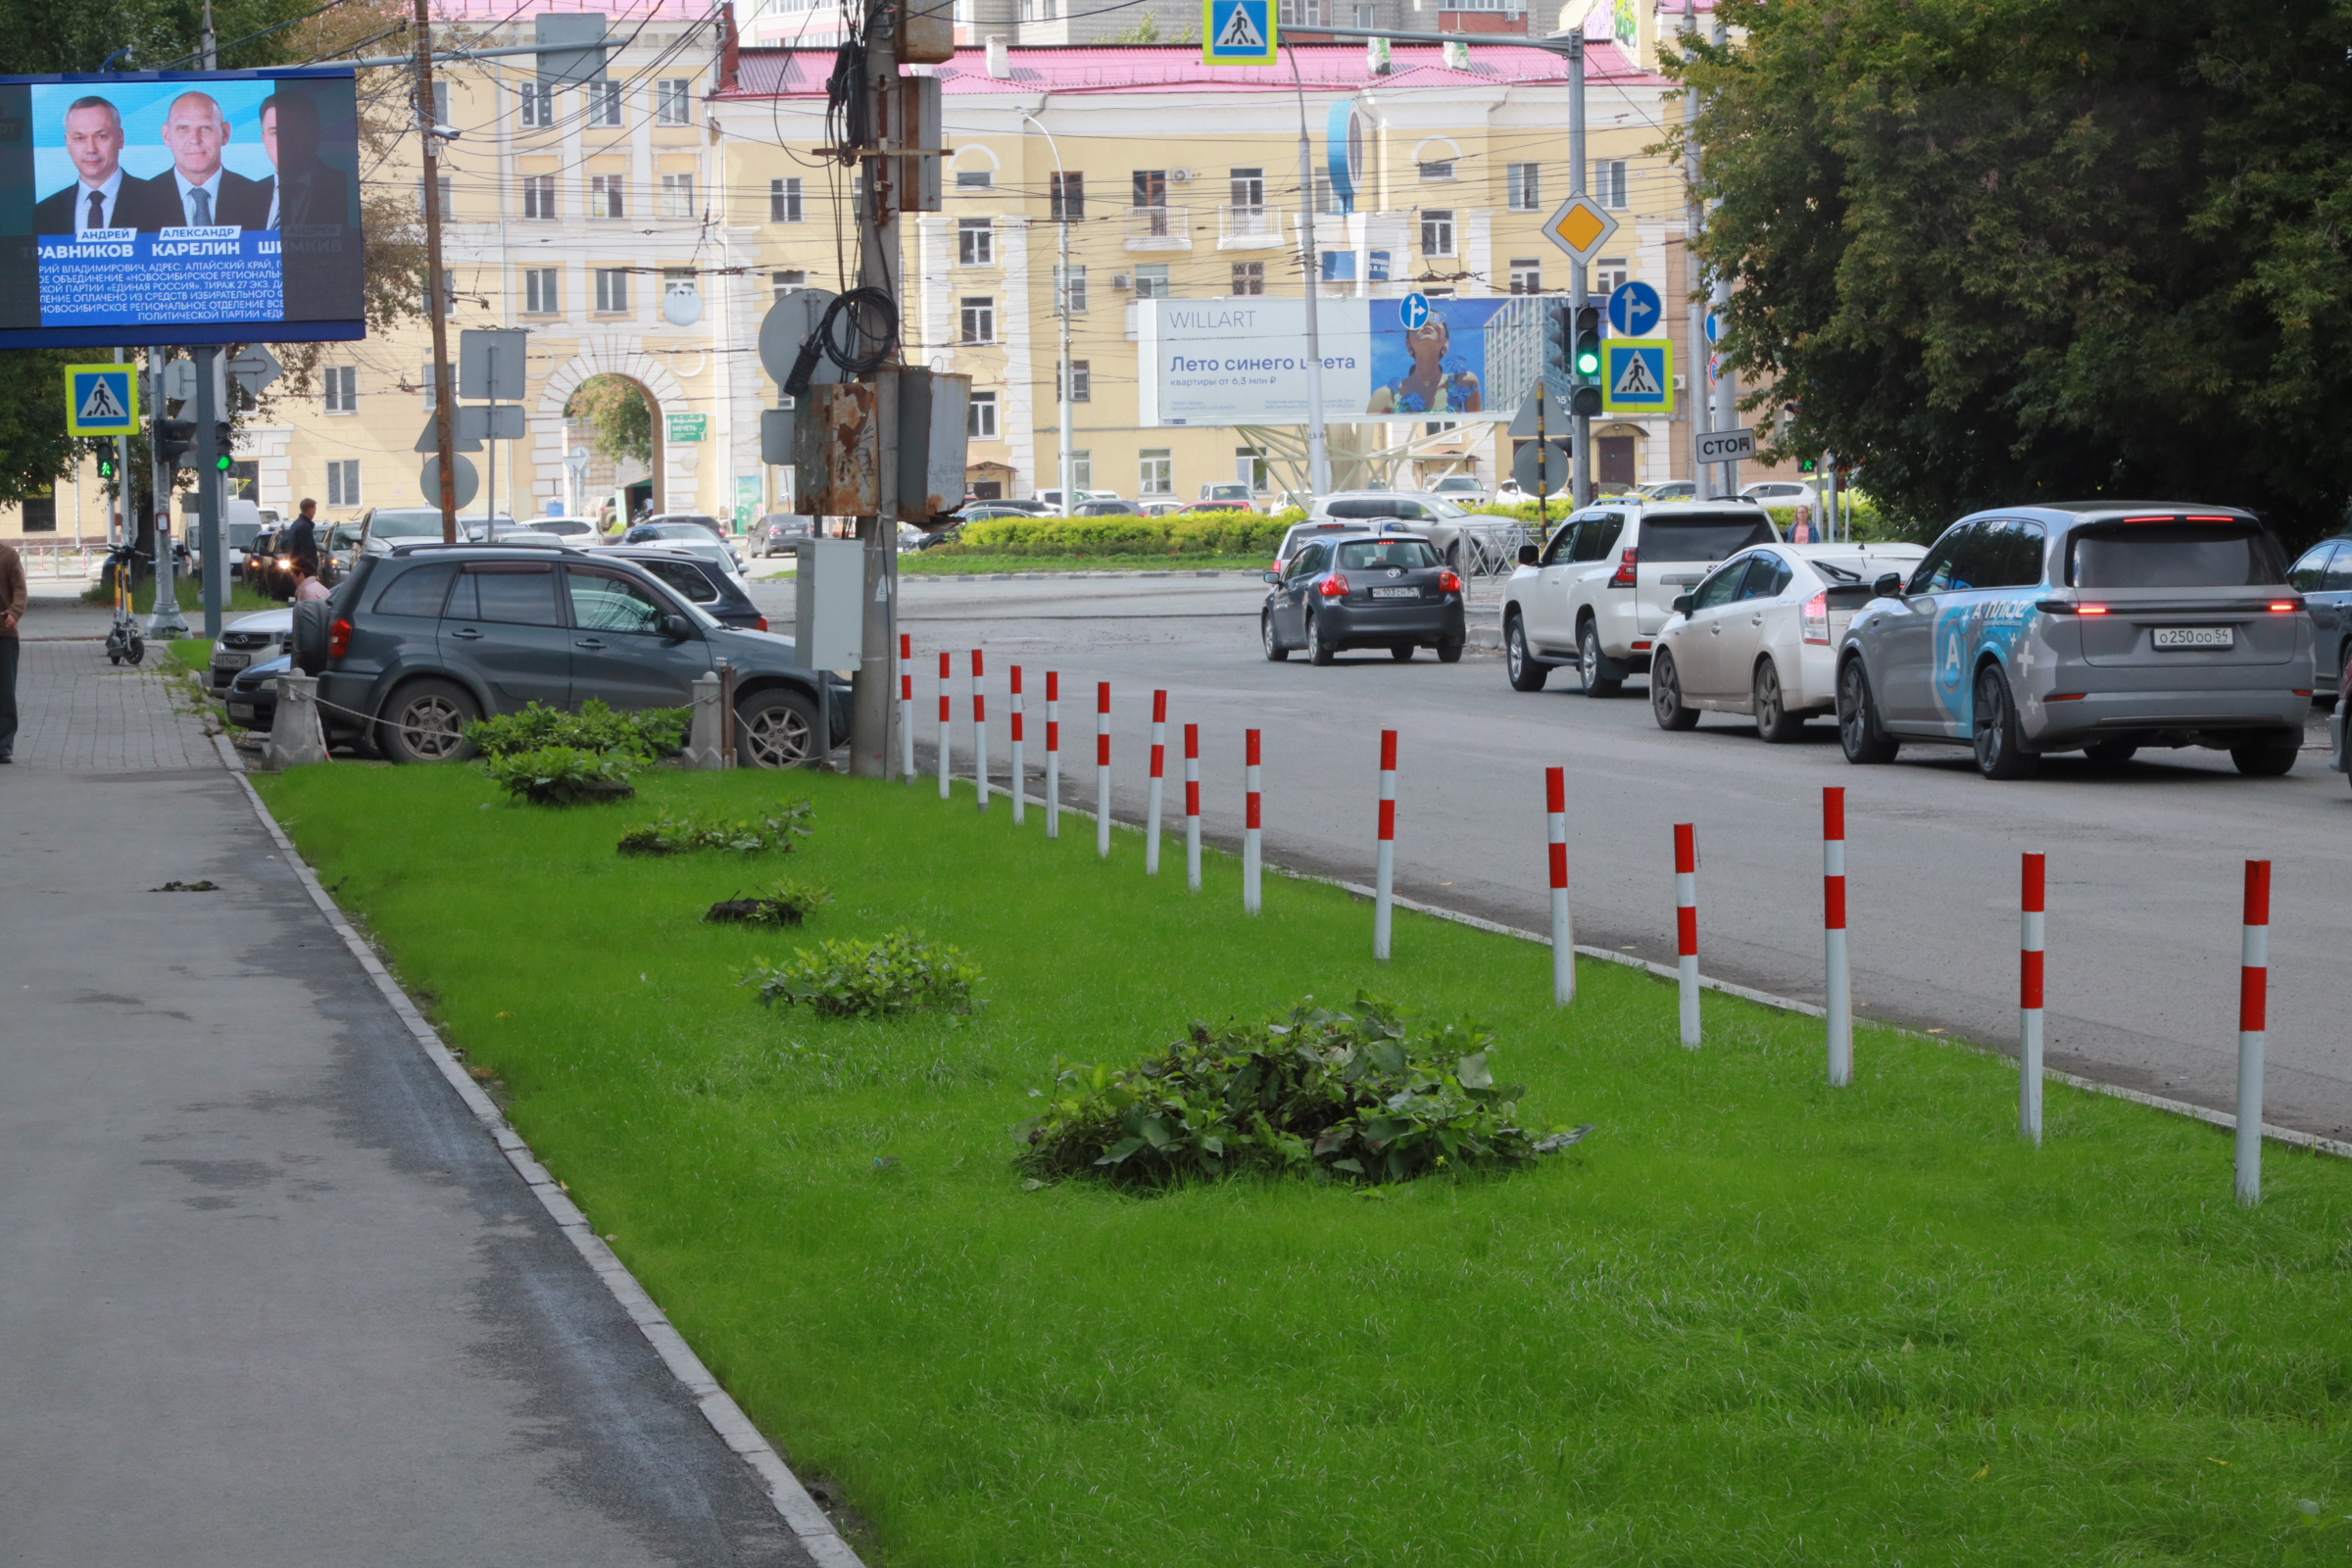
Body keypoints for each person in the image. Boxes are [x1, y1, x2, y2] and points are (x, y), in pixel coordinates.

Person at [118, 91, 267, 231]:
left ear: (225, 134)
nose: (195, 139)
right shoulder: (136, 201)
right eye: (183, 128)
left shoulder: (260, 198)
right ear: (167, 135)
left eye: (206, 128)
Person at [32, 95, 146, 235]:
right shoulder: (46, 212)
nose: (91, 149)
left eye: (101, 136)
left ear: (120, 139)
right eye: (80, 138)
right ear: (68, 143)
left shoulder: (158, 199)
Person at [1366, 314, 1483, 416]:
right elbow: (1366, 434)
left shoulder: (1464, 382)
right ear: (1408, 342)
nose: (1427, 322)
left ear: (1446, 342)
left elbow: (1479, 429)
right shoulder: (1386, 395)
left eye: (1435, 318)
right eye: (1419, 320)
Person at [0, 538, 24, 763]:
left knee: (4, 693)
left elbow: (19, 588)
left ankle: (3, 746)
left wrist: (15, 612)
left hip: (3, 634)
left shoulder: (8, 555)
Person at [281, 497, 319, 587]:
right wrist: (312, 572)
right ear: (310, 510)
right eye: (314, 510)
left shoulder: (296, 524)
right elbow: (306, 552)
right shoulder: (304, 527)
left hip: (296, 569)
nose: (315, 513)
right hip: (304, 572)